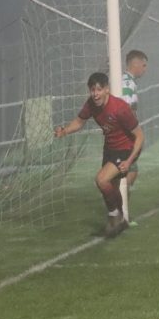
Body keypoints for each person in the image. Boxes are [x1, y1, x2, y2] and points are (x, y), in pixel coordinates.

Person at [54, 72, 144, 237]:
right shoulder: (91, 104)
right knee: (112, 186)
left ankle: (114, 217)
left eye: (99, 89)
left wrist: (129, 160)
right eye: (92, 90)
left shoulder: (120, 108)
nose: (95, 94)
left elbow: (140, 135)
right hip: (109, 147)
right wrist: (65, 131)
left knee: (101, 180)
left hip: (126, 149)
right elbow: (80, 121)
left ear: (107, 90)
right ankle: (121, 219)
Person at [120, 49, 148, 227]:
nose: (145, 69)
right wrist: (133, 131)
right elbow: (126, 110)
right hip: (125, 135)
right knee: (128, 172)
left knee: (131, 171)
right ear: (135, 64)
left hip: (125, 133)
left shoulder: (128, 81)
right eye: (144, 65)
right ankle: (119, 212)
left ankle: (122, 213)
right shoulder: (127, 83)